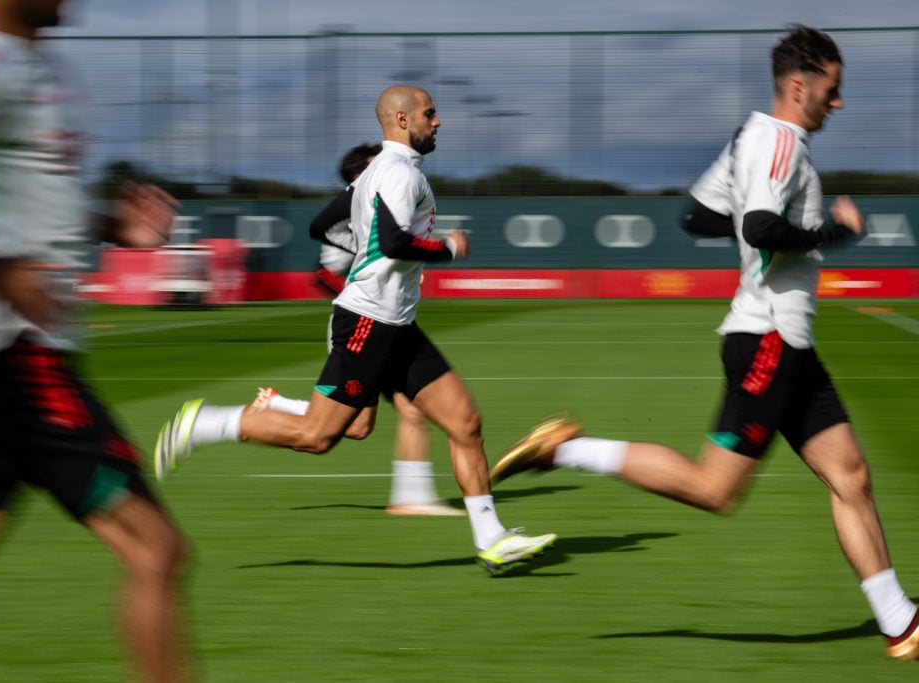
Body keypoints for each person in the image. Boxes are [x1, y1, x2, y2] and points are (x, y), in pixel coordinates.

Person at [491, 25, 919, 660]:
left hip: (786, 342)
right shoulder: (779, 143)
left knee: (850, 475)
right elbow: (760, 225)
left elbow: (697, 215)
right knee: (716, 489)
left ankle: (900, 624)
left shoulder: (750, 136)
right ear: (799, 86)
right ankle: (567, 450)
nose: (840, 102)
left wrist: (762, 233)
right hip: (768, 340)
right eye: (833, 90)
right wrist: (835, 230)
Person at [0, 2, 192, 682]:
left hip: (20, 354)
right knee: (157, 551)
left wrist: (111, 222)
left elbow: (40, 209)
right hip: (17, 353)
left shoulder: (49, 71)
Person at [155, 85, 556, 575]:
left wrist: (363, 249)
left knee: (464, 423)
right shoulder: (395, 173)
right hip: (368, 322)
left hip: (397, 323)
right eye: (431, 113)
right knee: (318, 437)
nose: (439, 121)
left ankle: (492, 540)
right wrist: (447, 247)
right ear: (403, 120)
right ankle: (206, 423)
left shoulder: (377, 174)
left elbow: (323, 225)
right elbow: (392, 243)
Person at [261, 142, 463, 517]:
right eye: (375, 167)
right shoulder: (357, 208)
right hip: (363, 321)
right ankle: (262, 410)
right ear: (359, 176)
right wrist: (362, 286)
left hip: (386, 322)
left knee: (368, 424)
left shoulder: (380, 202)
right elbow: (323, 272)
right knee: (349, 427)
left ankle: (411, 497)